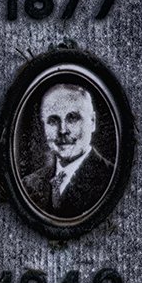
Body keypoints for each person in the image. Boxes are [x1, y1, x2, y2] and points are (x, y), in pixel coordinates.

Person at [20, 82, 114, 222]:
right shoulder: (28, 184)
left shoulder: (110, 179)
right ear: (43, 125)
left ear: (92, 122)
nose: (62, 130)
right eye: (53, 120)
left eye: (72, 118)